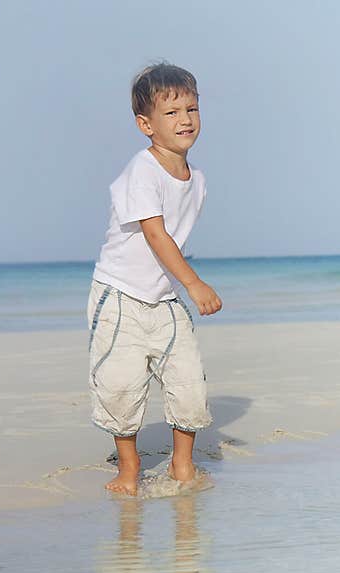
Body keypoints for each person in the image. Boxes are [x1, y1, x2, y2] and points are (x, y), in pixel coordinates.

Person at [87, 61, 222, 496]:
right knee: (121, 384)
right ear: (145, 124)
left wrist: (178, 284)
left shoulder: (196, 179)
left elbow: (174, 238)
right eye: (171, 112)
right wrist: (194, 283)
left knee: (188, 380)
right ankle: (129, 470)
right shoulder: (141, 172)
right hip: (120, 296)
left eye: (192, 109)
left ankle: (182, 466)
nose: (185, 119)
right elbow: (156, 234)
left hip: (162, 298)